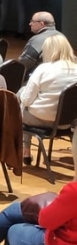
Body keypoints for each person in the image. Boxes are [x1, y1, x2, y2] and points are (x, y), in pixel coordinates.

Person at [17, 34, 77, 164]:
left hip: (41, 119)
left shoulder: (43, 69)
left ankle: (25, 150)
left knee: (21, 101)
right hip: (67, 122)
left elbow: (26, 100)